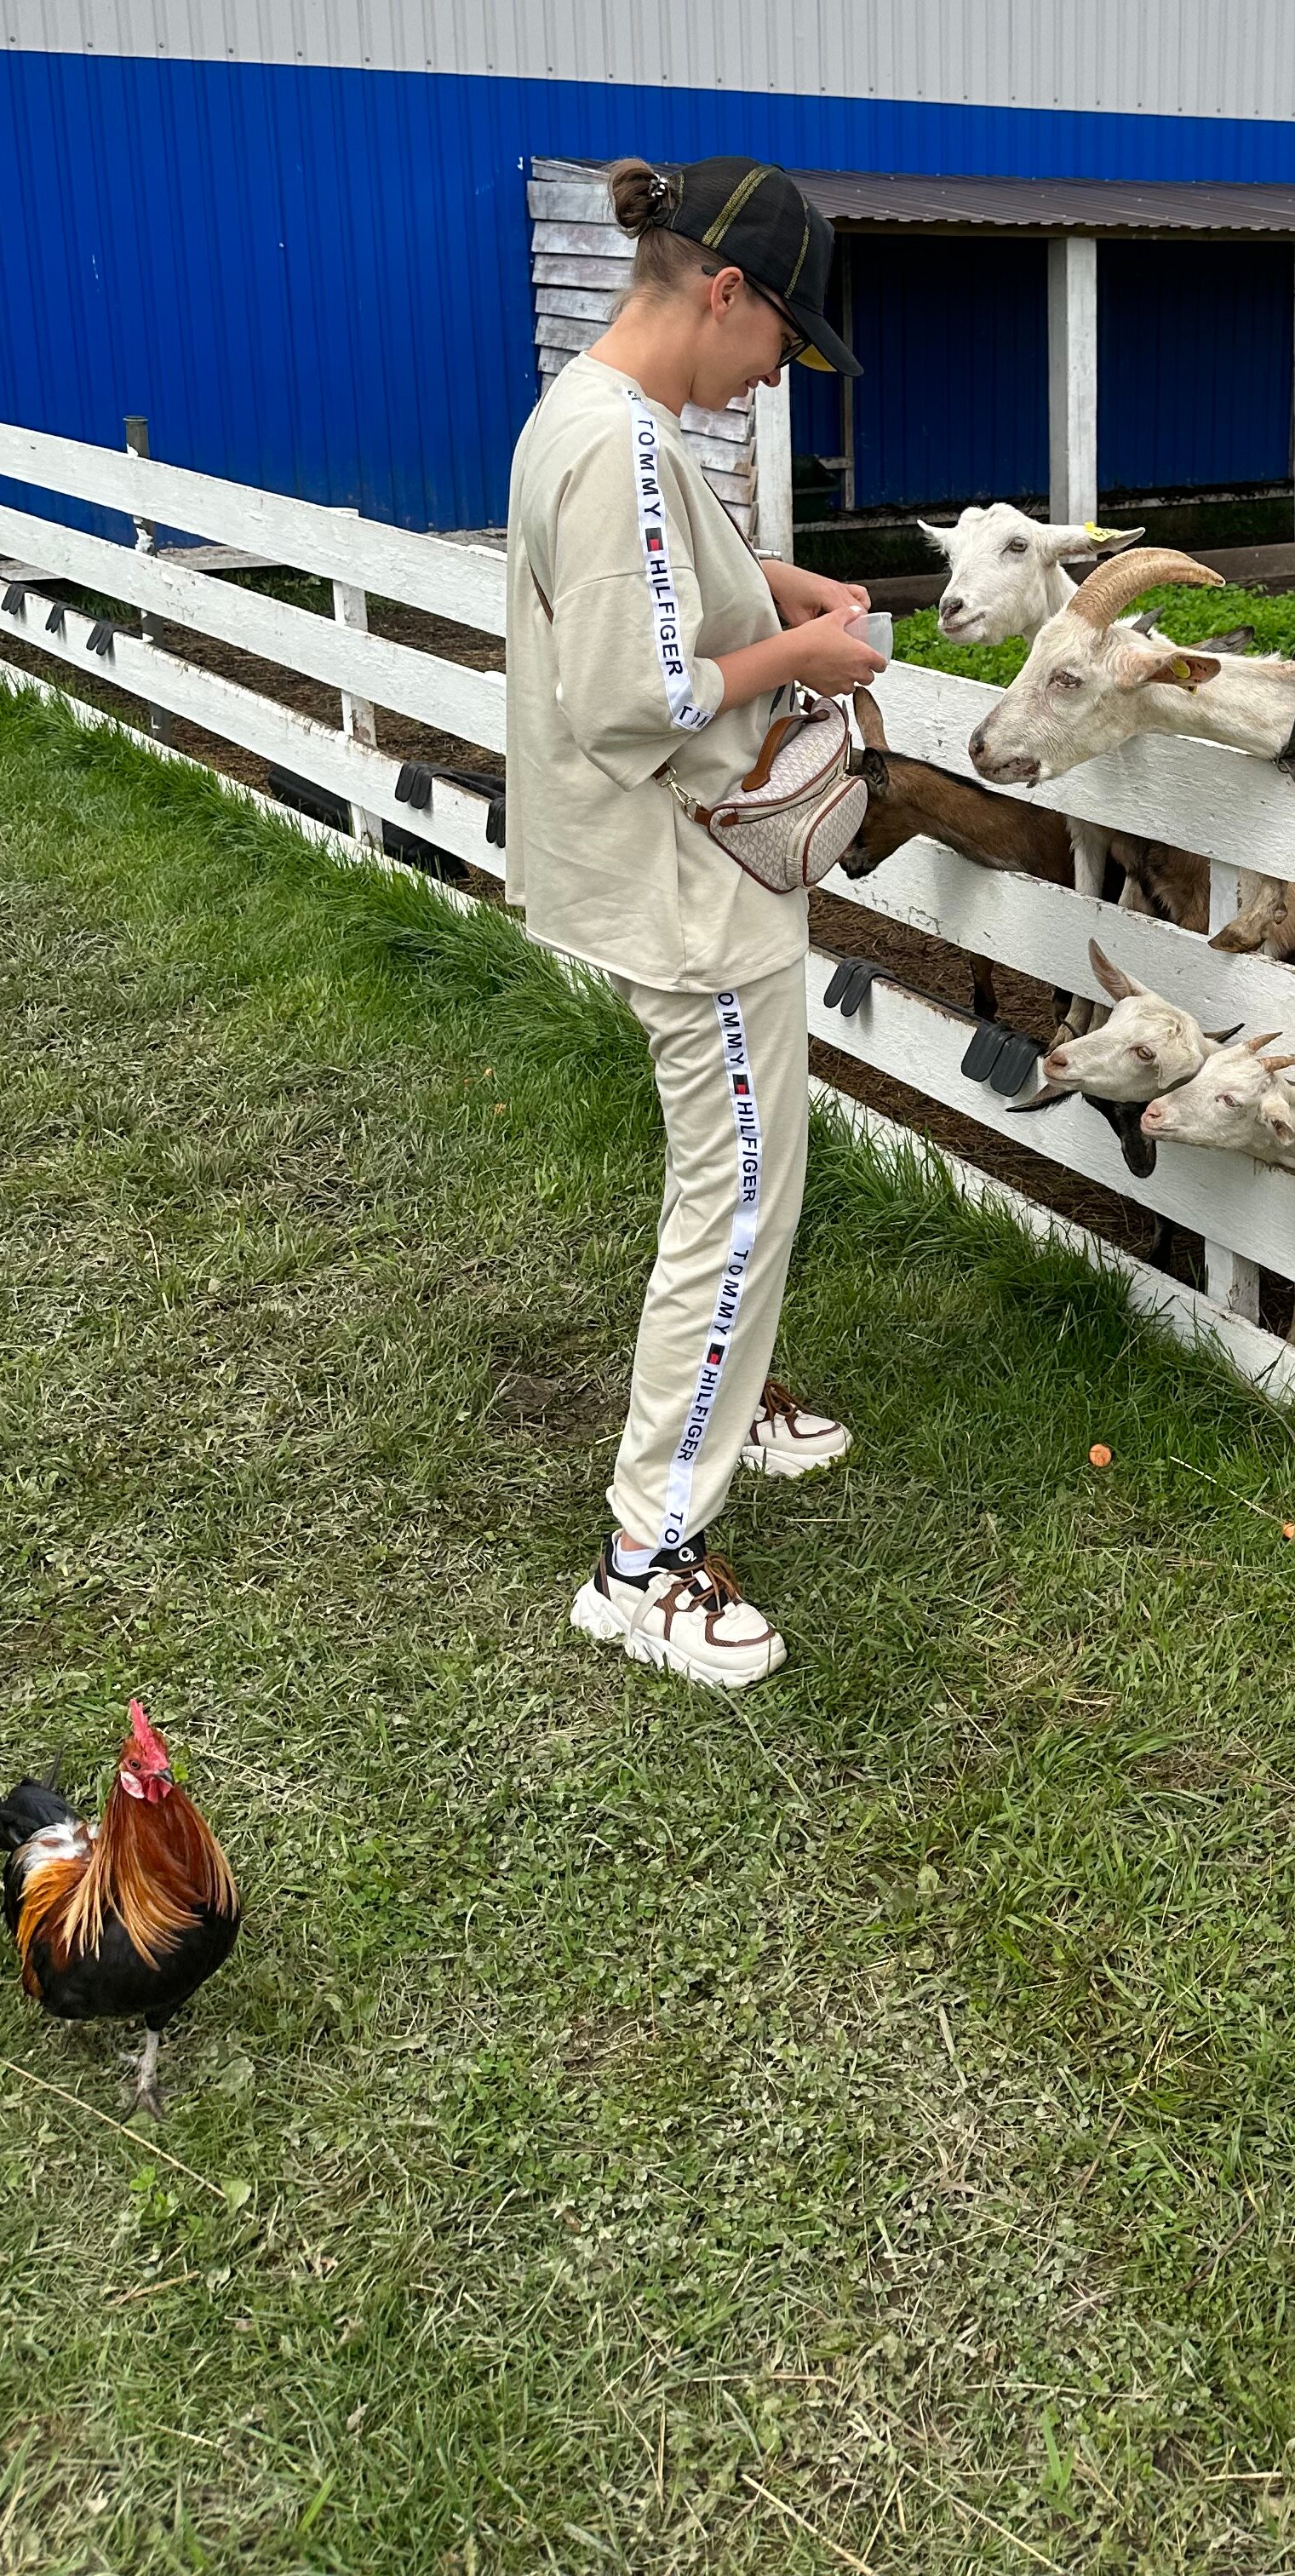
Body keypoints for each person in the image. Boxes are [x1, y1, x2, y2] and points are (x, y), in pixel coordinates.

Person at [505, 154, 880, 1688]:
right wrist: (805, 652)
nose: (777, 373)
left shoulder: (597, 417)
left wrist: (777, 587)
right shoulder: (627, 451)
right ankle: (645, 1559)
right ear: (724, 290)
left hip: (664, 873)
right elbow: (635, 694)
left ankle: (733, 1395)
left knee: (729, 1189)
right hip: (690, 888)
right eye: (783, 343)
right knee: (736, 1207)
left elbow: (668, 600)